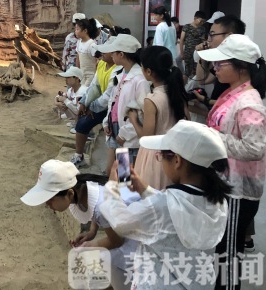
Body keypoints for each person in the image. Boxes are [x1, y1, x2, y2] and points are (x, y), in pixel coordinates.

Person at [99, 120, 231, 290]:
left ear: (177, 161)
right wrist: (145, 190)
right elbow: (176, 210)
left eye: (161, 156)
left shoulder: (162, 208)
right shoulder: (219, 201)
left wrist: (112, 187)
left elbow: (121, 221)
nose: (160, 161)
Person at [197, 34, 266, 290]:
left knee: (228, 252)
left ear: (241, 67)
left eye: (220, 63)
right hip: (227, 181)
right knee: (223, 248)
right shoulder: (233, 93)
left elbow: (255, 148)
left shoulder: (249, 103)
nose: (215, 68)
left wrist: (214, 137)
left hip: (238, 190)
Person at [21, 160, 138, 290]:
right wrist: (92, 232)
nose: (47, 205)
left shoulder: (100, 205)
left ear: (70, 194)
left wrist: (92, 246)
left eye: (50, 200)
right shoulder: (83, 189)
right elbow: (96, 212)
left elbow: (117, 240)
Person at [127, 46, 189, 189]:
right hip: (175, 154)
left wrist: (133, 119)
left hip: (155, 156)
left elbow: (146, 137)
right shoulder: (177, 93)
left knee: (149, 193)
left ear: (149, 71)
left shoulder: (152, 99)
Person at [99, 34, 151, 175]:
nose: (111, 55)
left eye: (113, 52)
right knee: (117, 172)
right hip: (117, 127)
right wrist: (107, 121)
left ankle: (125, 189)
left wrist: (125, 134)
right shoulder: (121, 73)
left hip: (128, 134)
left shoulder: (140, 80)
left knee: (125, 174)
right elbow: (113, 101)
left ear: (121, 54)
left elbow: (142, 114)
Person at [70, 39, 122, 168]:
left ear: (120, 54)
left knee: (121, 147)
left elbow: (110, 96)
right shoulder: (104, 65)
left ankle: (121, 175)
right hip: (111, 110)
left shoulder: (123, 73)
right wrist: (85, 103)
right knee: (115, 146)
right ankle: (118, 175)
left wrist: (92, 107)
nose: (101, 52)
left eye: (109, 51)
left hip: (119, 115)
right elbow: (96, 86)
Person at [192, 15, 246, 109]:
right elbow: (201, 80)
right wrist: (203, 55)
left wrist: (206, 100)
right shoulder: (222, 60)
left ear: (229, 37)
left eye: (212, 34)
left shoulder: (239, 63)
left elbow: (236, 101)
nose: (208, 39)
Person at [179, 10, 206, 81]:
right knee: (187, 71)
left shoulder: (202, 29)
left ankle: (193, 86)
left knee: (196, 71)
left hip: (197, 53)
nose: (202, 23)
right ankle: (184, 86)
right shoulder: (187, 27)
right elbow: (181, 40)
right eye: (201, 21)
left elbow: (203, 40)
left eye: (203, 21)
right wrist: (182, 53)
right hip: (188, 52)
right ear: (195, 18)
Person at [75, 18, 99, 86]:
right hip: (82, 76)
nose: (75, 31)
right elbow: (78, 57)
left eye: (77, 29)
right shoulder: (79, 42)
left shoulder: (92, 44)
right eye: (75, 29)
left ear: (85, 31)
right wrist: (77, 72)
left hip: (90, 77)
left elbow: (98, 61)